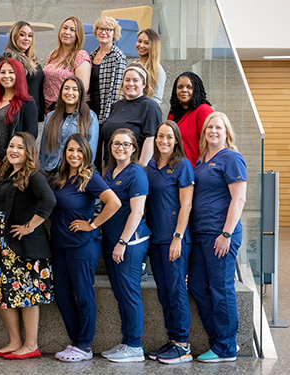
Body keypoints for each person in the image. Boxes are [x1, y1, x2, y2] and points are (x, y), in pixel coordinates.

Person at [0, 132, 56, 359]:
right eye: (11, 146)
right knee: (3, 292)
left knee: (27, 294)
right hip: (2, 243)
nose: (14, 150)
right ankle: (15, 341)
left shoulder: (34, 175)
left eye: (20, 148)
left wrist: (30, 226)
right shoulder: (5, 173)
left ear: (29, 152)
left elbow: (49, 200)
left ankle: (31, 345)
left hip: (24, 245)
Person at [50, 134, 120, 362]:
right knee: (61, 294)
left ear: (86, 154)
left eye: (79, 151)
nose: (74, 155)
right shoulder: (60, 178)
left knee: (83, 293)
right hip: (59, 245)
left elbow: (114, 203)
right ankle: (76, 342)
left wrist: (92, 224)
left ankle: (84, 344)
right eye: (70, 150)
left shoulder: (89, 177)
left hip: (82, 246)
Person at [188, 112, 247, 363]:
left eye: (218, 128)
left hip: (221, 235)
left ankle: (226, 347)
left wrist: (226, 233)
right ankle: (217, 339)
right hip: (201, 235)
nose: (213, 131)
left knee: (221, 289)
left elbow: (239, 198)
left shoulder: (232, 158)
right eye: (209, 127)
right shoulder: (202, 160)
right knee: (197, 286)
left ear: (226, 132)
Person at [145, 121, 194, 364]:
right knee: (164, 292)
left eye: (169, 137)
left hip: (174, 240)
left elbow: (186, 205)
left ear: (176, 141)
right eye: (160, 136)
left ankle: (183, 345)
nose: (164, 140)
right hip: (155, 240)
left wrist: (178, 237)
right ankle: (173, 339)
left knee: (176, 291)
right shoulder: (150, 166)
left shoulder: (183, 166)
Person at [100, 128, 151, 363]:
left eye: (126, 144)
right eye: (116, 144)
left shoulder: (136, 173)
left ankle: (135, 346)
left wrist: (123, 241)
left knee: (130, 293)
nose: (120, 148)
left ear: (134, 148)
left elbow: (138, 211)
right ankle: (126, 341)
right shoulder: (109, 172)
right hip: (113, 242)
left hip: (130, 242)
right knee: (121, 294)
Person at [0, 58, 38, 172]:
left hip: (11, 165)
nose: (6, 76)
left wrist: (3, 155)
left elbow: (31, 134)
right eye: (3, 72)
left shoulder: (27, 102)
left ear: (19, 75)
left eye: (11, 72)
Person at [101, 63, 161, 167]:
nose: (130, 84)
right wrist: (103, 169)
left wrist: (140, 169)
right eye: (127, 80)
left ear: (144, 84)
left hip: (132, 169)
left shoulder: (150, 106)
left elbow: (151, 139)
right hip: (110, 169)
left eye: (135, 80)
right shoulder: (116, 106)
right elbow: (106, 139)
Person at [88, 16, 127, 171]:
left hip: (107, 111)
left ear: (114, 33)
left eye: (108, 29)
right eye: (100, 28)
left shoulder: (118, 56)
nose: (103, 32)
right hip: (91, 109)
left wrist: (111, 116)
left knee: (104, 155)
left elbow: (118, 91)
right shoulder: (92, 55)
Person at [39, 76, 98, 174]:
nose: (70, 93)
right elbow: (43, 149)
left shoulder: (90, 117)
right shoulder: (50, 116)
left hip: (75, 173)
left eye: (75, 89)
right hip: (50, 171)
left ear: (81, 93)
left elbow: (91, 150)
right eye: (66, 88)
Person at [43, 16, 91, 111]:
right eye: (65, 28)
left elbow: (83, 88)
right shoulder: (53, 54)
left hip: (69, 109)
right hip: (50, 109)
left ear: (78, 35)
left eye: (72, 30)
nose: (67, 32)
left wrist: (66, 109)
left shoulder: (81, 55)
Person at [1, 21, 45, 122]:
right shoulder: (8, 58)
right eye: (22, 35)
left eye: (30, 36)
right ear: (14, 36)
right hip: (18, 112)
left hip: (33, 111)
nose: (26, 39)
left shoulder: (32, 58)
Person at [168, 71, 214, 166]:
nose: (184, 90)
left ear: (196, 89)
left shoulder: (203, 110)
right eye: (180, 87)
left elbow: (211, 144)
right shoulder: (173, 113)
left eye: (189, 87)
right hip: (174, 169)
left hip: (195, 170)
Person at [135, 28, 166, 105]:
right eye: (139, 41)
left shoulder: (158, 70)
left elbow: (156, 98)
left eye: (146, 43)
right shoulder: (133, 65)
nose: (141, 45)